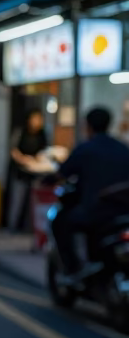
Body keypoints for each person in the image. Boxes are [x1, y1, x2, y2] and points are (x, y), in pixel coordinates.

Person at [51, 106, 129, 278]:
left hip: (95, 211)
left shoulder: (85, 149)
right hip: (123, 211)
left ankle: (73, 268)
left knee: (61, 222)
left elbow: (61, 173)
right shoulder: (123, 148)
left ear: (87, 126)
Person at [8, 108, 49, 232]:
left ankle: (31, 228)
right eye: (35, 119)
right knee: (18, 200)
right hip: (20, 171)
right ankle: (13, 226)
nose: (37, 122)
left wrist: (37, 159)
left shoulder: (42, 133)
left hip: (35, 171)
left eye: (39, 119)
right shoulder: (21, 132)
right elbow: (13, 150)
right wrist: (23, 159)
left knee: (33, 201)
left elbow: (44, 151)